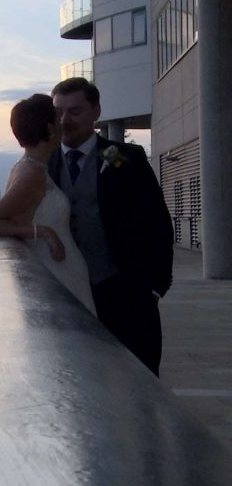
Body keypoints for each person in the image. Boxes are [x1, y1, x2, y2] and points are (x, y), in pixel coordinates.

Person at [50, 77, 174, 376]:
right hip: (68, 297)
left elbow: (156, 219)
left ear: (96, 111)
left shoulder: (122, 157)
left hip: (126, 290)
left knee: (140, 379)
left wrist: (155, 287)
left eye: (75, 111)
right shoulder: (44, 163)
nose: (65, 120)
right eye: (59, 112)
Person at [0, 94, 96, 316]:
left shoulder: (31, 167)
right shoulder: (31, 175)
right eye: (57, 116)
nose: (63, 121)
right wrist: (44, 232)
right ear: (51, 129)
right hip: (57, 275)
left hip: (64, 272)